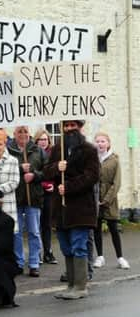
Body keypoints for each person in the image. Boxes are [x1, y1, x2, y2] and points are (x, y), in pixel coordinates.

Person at [43, 120, 99, 300]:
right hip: (61, 209)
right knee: (66, 247)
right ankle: (71, 284)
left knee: (78, 246)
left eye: (72, 126)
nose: (69, 129)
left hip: (81, 207)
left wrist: (69, 187)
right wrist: (55, 168)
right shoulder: (57, 150)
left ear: (80, 127)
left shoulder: (89, 150)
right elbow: (46, 172)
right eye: (66, 126)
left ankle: (81, 286)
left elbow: (92, 176)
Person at [7, 126, 45, 277]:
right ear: (14, 134)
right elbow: (5, 169)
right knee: (16, 232)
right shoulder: (9, 151)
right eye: (19, 132)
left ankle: (34, 263)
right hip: (15, 198)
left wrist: (34, 175)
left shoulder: (37, 150)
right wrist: (19, 167)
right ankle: (18, 262)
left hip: (33, 198)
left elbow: (47, 171)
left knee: (34, 232)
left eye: (25, 131)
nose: (22, 135)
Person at [93, 132, 130, 270]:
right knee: (96, 228)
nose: (100, 144)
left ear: (108, 143)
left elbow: (117, 183)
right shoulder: (93, 160)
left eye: (103, 141)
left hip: (110, 201)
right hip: (95, 199)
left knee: (114, 228)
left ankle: (120, 258)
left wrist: (106, 200)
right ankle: (100, 257)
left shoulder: (114, 160)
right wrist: (95, 199)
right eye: (97, 141)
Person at [34, 129, 58, 265]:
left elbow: (56, 172)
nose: (43, 142)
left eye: (45, 139)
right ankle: (37, 253)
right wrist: (43, 184)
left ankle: (48, 252)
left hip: (50, 193)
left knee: (47, 224)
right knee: (36, 225)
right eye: (40, 140)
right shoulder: (33, 154)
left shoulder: (53, 154)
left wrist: (53, 185)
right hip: (37, 192)